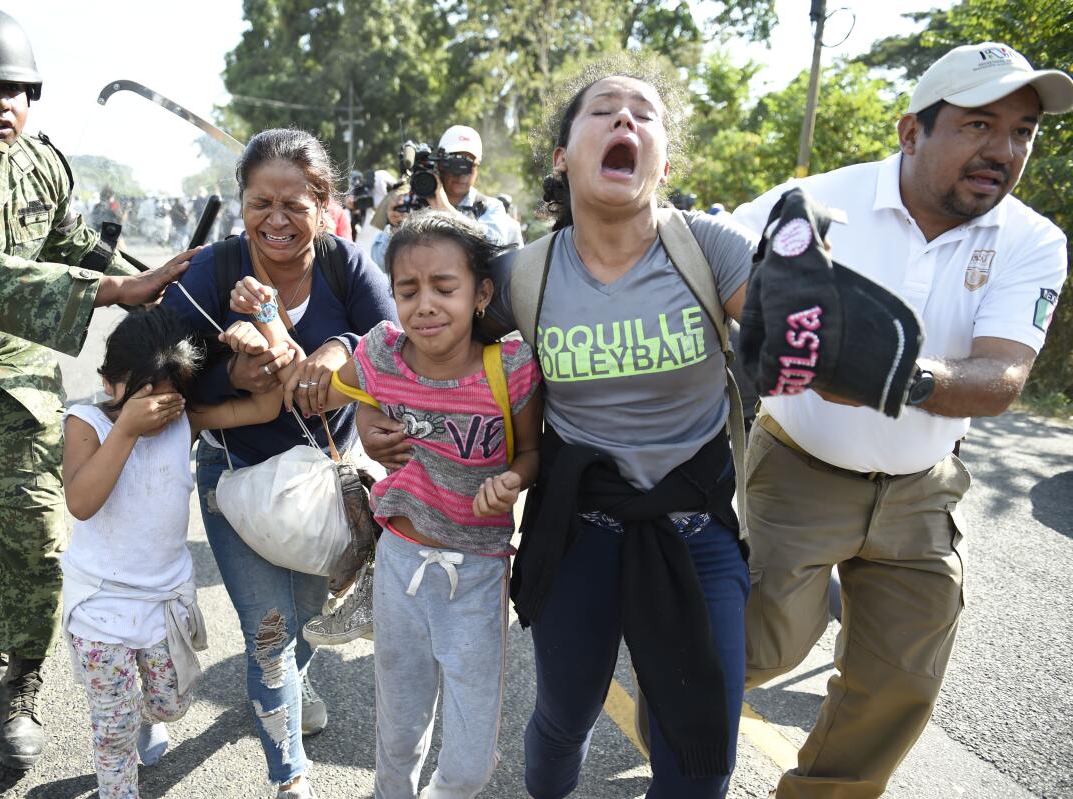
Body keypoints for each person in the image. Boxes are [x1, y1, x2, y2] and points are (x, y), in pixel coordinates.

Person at [361, 57, 759, 798]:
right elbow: (423, 334)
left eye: (643, 114)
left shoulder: (711, 247)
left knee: (703, 753)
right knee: (564, 718)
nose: (624, 121)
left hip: (697, 533)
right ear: (563, 156)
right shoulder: (523, 276)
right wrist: (365, 402)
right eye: (604, 110)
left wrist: (821, 315)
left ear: (663, 159)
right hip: (579, 533)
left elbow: (787, 336)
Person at [731, 42, 1072, 799]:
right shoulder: (812, 203)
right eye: (979, 124)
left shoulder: (1034, 240)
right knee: (759, 646)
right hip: (797, 468)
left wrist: (895, 375)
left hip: (923, 486)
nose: (1004, 150)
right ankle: (680, 717)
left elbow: (1002, 377)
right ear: (910, 131)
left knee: (901, 680)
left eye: (1022, 131)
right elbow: (725, 298)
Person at [0, 0, 192, 771]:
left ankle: (20, 674)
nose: (1, 105)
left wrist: (156, 290)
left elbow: (70, 242)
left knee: (38, 524)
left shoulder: (41, 163)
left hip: (14, 363)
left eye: (15, 91)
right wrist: (107, 293)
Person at [232, 209, 542, 798]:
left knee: (472, 762)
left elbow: (532, 451)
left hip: (478, 578)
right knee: (399, 734)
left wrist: (515, 479)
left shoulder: (512, 369)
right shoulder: (383, 351)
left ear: (482, 294)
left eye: (444, 288)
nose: (425, 304)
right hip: (399, 565)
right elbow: (342, 389)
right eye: (407, 289)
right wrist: (370, 426)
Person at [162, 127, 396, 799]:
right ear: (241, 203)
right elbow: (161, 370)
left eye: (295, 203)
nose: (276, 220)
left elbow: (396, 341)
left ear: (325, 205)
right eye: (260, 202)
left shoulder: (346, 266)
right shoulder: (213, 269)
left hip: (330, 488)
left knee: (304, 625)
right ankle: (289, 774)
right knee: (269, 634)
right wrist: (232, 370)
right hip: (238, 489)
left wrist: (339, 349)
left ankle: (293, 682)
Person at [63, 305, 290, 799]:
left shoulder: (182, 422)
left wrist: (263, 334)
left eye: (170, 399)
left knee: (172, 703)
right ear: (109, 383)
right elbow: (81, 502)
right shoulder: (86, 423)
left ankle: (148, 716)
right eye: (145, 397)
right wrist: (125, 428)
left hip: (164, 601)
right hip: (100, 604)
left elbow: (266, 408)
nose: (158, 411)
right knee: (113, 729)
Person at [428, 124, 524, 249]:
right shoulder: (415, 201)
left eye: (469, 165)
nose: (462, 174)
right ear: (440, 165)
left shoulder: (490, 207)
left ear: (477, 168)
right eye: (456, 164)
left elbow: (493, 244)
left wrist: (444, 208)